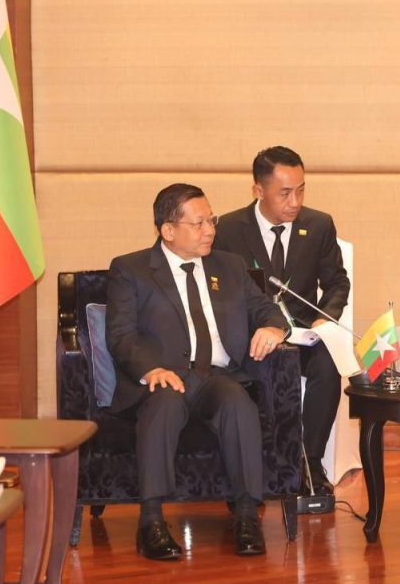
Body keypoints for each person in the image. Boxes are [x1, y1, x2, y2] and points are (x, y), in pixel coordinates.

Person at [106, 183, 289, 560]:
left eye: (212, 220)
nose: (210, 230)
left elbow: (266, 309)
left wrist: (274, 328)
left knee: (237, 403)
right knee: (165, 404)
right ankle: (151, 522)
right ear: (168, 230)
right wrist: (149, 369)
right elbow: (121, 335)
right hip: (164, 377)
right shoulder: (131, 269)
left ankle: (245, 516)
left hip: (217, 378)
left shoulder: (229, 266)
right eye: (199, 223)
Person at [215, 146, 350, 497]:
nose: (295, 202)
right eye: (285, 193)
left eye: (301, 190)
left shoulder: (318, 225)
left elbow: (337, 282)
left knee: (328, 365)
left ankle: (309, 463)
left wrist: (324, 319)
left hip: (303, 336)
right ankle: (256, 468)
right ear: (258, 190)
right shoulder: (227, 230)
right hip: (253, 339)